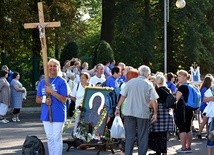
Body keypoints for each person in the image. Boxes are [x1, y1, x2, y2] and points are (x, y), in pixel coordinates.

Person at [115, 65, 159, 155]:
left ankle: (128, 153)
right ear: (148, 74)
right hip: (142, 113)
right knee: (142, 136)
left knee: (129, 136)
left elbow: (123, 95)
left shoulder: (130, 82)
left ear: (139, 73)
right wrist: (155, 113)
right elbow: (154, 100)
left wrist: (117, 107)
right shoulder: (149, 84)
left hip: (129, 112)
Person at [36, 58, 70, 155]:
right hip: (46, 113)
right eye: (50, 66)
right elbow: (37, 99)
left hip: (58, 113)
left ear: (58, 68)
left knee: (56, 137)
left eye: (54, 66)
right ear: (47, 68)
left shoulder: (62, 81)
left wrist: (52, 92)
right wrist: (44, 100)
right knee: (50, 138)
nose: (52, 68)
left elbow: (64, 99)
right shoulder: (42, 82)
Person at [148, 74, 174, 155]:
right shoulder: (168, 89)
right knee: (163, 134)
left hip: (159, 112)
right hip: (167, 112)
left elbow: (153, 102)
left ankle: (159, 151)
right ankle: (164, 151)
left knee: (157, 133)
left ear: (156, 82)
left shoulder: (157, 91)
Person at [175, 70, 194, 153]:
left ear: (185, 77)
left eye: (180, 76)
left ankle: (183, 148)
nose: (178, 77)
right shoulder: (191, 85)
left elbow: (176, 99)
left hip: (182, 110)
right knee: (188, 129)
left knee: (182, 129)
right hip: (189, 109)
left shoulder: (182, 87)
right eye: (178, 76)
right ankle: (189, 147)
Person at [198, 75, 213, 139]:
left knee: (207, 122)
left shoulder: (203, 88)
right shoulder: (206, 89)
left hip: (204, 107)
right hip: (205, 108)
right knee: (205, 121)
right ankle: (199, 133)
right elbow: (204, 99)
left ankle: (207, 134)